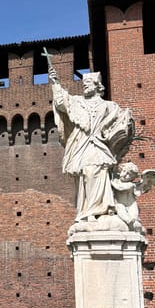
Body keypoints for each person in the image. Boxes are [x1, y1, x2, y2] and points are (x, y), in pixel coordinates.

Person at [47, 56, 134, 226]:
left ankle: (102, 210)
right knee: (85, 174)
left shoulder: (109, 106)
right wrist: (55, 83)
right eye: (84, 85)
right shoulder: (78, 102)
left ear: (97, 87)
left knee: (100, 172)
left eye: (88, 84)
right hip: (83, 145)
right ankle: (87, 210)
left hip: (99, 145)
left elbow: (121, 122)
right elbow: (62, 102)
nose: (85, 87)